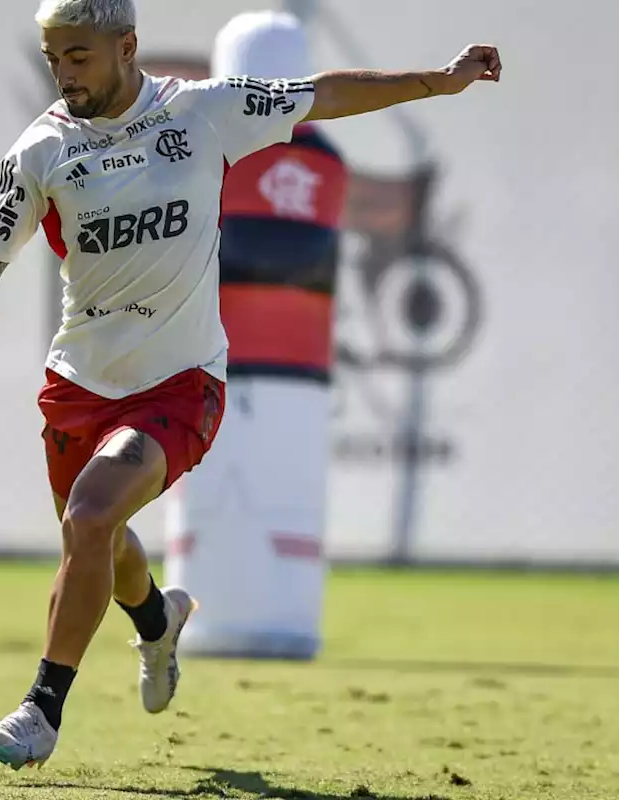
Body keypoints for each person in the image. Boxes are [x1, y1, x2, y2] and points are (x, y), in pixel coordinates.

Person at [0, 0, 500, 770]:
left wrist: (438, 80)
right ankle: (159, 622)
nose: (64, 73)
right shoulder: (40, 149)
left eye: (79, 56)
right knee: (99, 539)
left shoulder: (201, 113)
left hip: (179, 384)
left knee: (89, 519)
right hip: (78, 384)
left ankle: (41, 709)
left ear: (127, 47)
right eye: (54, 57)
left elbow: (322, 92)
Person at [165, 10, 349, 662]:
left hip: (257, 365)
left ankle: (245, 619)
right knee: (220, 498)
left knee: (268, 499)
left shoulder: (245, 151)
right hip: (230, 363)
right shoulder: (309, 157)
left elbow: (273, 249)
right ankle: (209, 619)